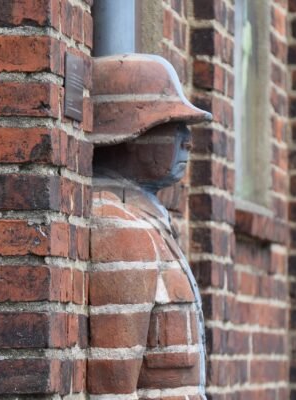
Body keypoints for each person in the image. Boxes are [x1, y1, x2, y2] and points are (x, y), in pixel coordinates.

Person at [86, 54, 212, 399]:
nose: (186, 140)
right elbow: (112, 385)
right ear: (130, 135)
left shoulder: (149, 222)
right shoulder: (121, 227)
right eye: (169, 126)